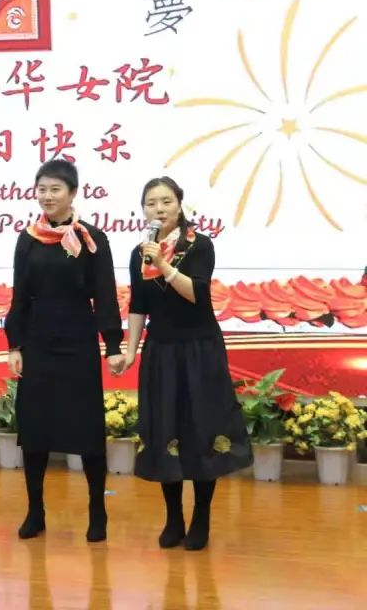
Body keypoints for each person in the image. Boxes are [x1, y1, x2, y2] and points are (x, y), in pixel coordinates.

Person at [119, 176, 251, 551]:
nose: (158, 209)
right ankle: (173, 517)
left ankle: (201, 517)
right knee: (165, 430)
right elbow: (138, 306)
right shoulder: (139, 253)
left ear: (180, 204)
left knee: (202, 430)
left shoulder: (199, 245)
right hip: (161, 350)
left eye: (166, 202)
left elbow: (198, 295)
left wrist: (163, 264)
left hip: (199, 350)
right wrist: (130, 350)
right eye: (151, 203)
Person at [4, 159, 126, 542]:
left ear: (73, 193)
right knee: (35, 428)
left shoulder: (91, 238)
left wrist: (112, 345)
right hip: (38, 340)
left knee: (86, 428)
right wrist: (14, 344)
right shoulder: (28, 238)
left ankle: (97, 511)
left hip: (77, 339)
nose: (47, 196)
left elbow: (104, 294)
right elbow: (19, 295)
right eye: (42, 189)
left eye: (55, 189)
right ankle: (35, 511)